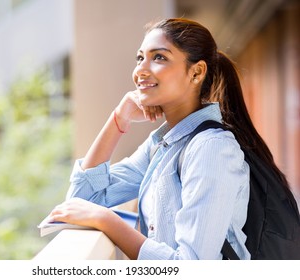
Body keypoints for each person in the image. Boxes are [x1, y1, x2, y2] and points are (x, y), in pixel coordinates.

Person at [47, 18, 288, 260]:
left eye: (159, 57)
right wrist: (119, 118)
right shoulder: (162, 144)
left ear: (196, 72)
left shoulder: (211, 148)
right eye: (140, 58)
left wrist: (108, 220)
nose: (141, 69)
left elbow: (190, 265)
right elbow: (82, 199)